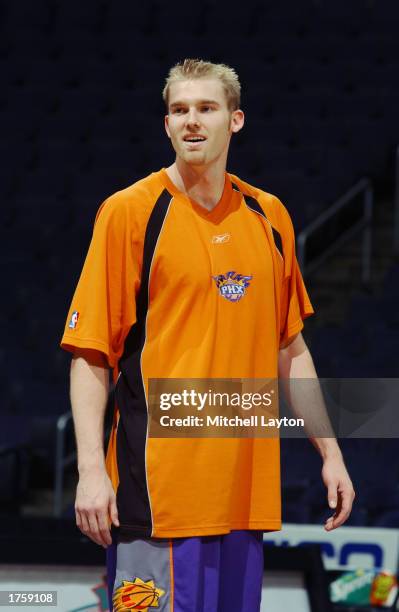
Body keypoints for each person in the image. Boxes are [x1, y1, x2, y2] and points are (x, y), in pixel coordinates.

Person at [61, 59, 355, 612]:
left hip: (245, 501)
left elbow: (289, 348)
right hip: (159, 500)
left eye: (206, 108)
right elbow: (91, 354)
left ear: (235, 120)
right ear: (167, 125)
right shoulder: (130, 213)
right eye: (179, 110)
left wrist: (331, 455)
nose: (191, 121)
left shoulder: (269, 216)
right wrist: (90, 471)